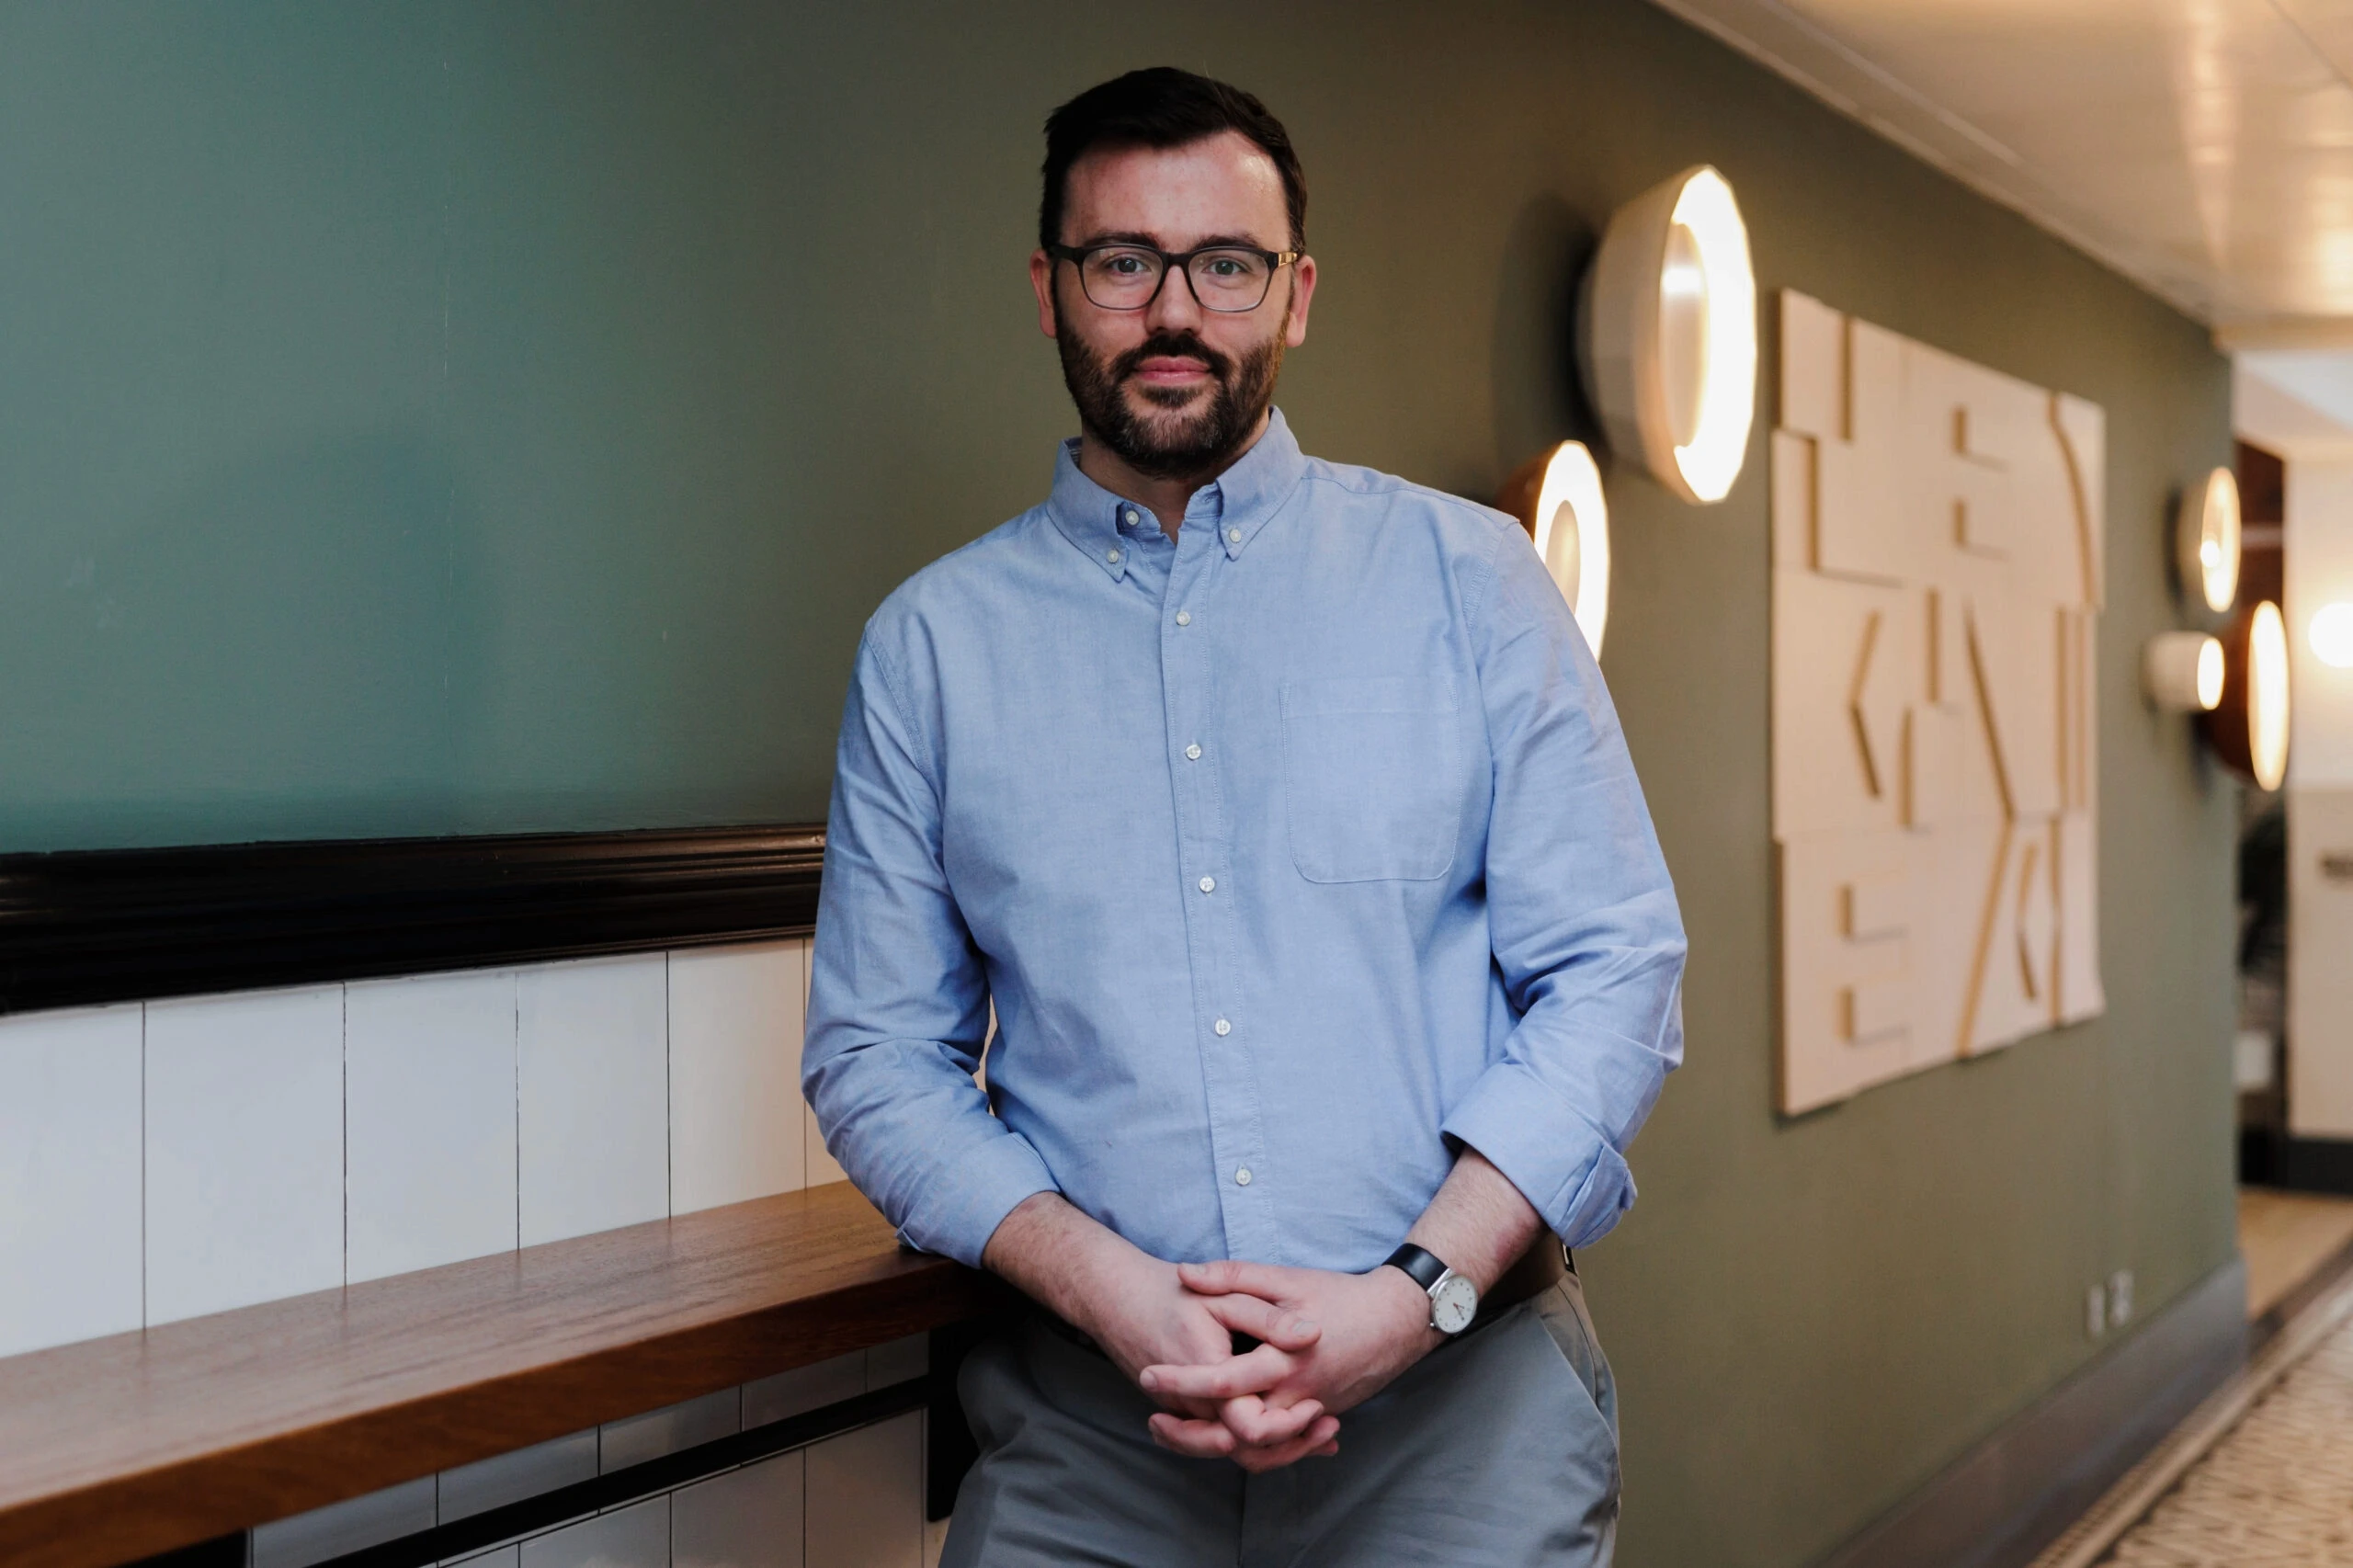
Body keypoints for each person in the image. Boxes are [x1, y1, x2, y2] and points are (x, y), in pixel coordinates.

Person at [805, 65, 1686, 1566]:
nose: (1172, 312)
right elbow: (876, 1054)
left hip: (1461, 1422)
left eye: (1225, 265)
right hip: (1092, 1437)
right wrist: (1112, 1293)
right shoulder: (929, 650)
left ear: (1296, 294)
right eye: (1119, 261)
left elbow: (1613, 976)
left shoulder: (1473, 584)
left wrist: (1411, 1296)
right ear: (1049, 287)